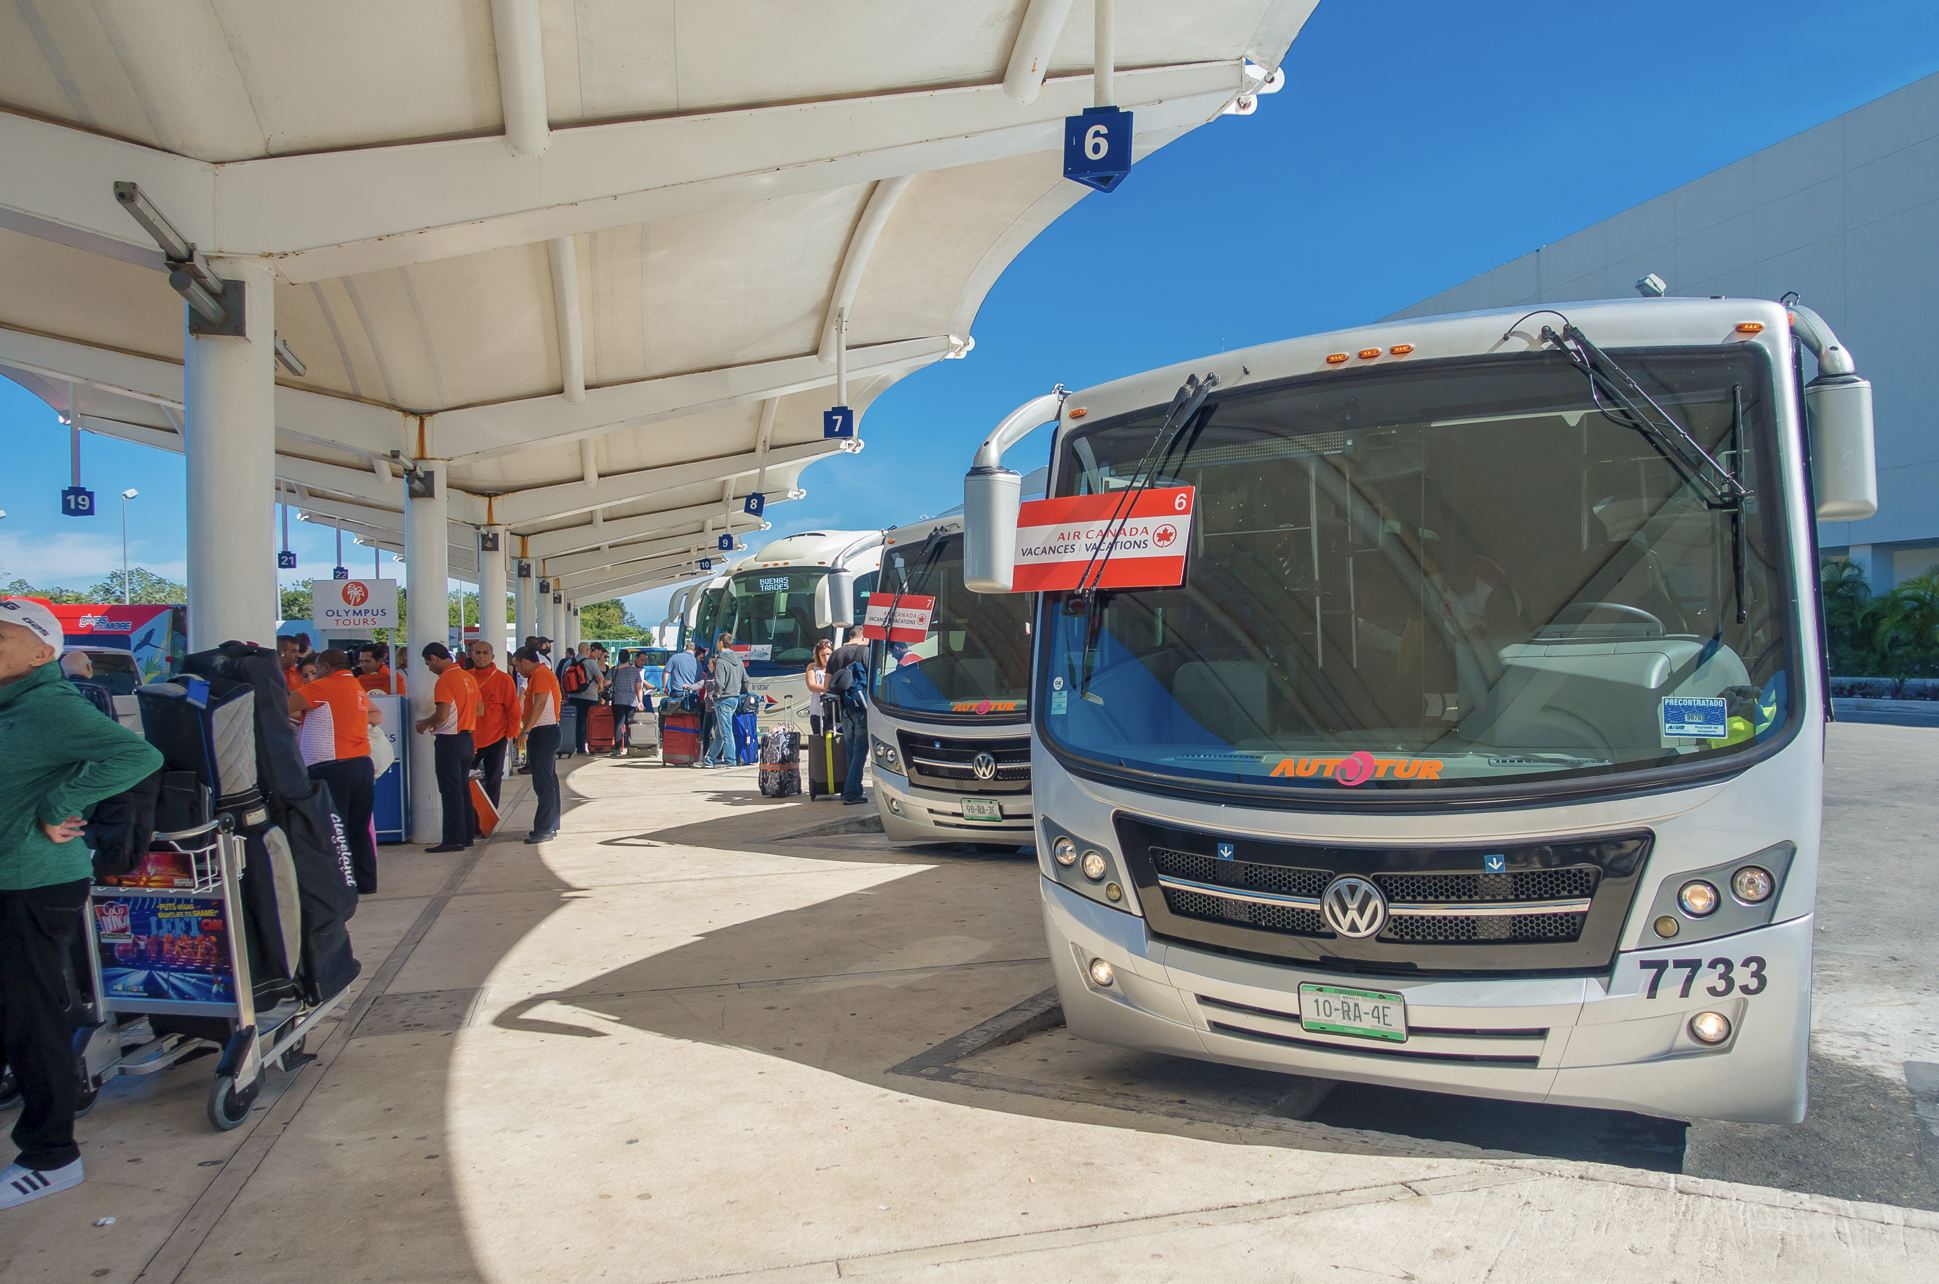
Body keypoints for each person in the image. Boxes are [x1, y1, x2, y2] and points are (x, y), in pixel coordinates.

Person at [0, 597, 163, 1211]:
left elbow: (137, 755)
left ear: (41, 652)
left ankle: (51, 1154)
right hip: (10, 877)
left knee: (32, 1012)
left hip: (33, 880)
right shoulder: (12, 704)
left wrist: (57, 804)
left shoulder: (50, 705)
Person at [289, 649, 383, 894]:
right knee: (358, 827)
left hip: (332, 767)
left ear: (327, 666)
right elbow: (374, 715)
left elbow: (280, 705)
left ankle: (340, 884)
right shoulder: (355, 687)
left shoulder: (322, 687)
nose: (315, 675)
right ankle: (365, 881)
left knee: (333, 830)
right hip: (361, 764)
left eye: (316, 669)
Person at [414, 642, 480, 853]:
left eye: (428, 663)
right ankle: (467, 835)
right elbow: (479, 709)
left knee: (450, 791)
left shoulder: (445, 680)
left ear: (434, 658)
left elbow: (442, 715)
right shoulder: (468, 677)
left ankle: (452, 839)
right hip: (467, 738)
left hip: (449, 740)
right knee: (462, 789)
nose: (429, 668)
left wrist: (426, 723)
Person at [512, 647, 562, 843]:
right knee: (548, 780)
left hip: (543, 732)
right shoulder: (540, 674)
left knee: (543, 783)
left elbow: (540, 704)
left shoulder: (540, 675)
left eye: (516, 666)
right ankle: (550, 824)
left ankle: (545, 828)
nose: (517, 670)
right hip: (547, 731)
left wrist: (526, 731)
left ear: (524, 662)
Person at [466, 641, 520, 806]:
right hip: (468, 737)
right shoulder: (465, 678)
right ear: (471, 654)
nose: (481, 656)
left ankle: (489, 820)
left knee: (493, 780)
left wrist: (511, 735)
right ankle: (471, 820)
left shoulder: (504, 679)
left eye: (485, 653)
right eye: (477, 652)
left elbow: (513, 709)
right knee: (466, 780)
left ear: (492, 656)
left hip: (496, 737)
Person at [826, 628, 871, 804]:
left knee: (850, 749)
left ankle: (853, 789)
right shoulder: (865, 652)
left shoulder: (836, 654)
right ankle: (851, 792)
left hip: (843, 707)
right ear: (864, 637)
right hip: (861, 706)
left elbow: (827, 685)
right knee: (860, 750)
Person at [700, 632, 746, 767]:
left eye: (717, 642)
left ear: (720, 643)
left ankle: (730, 760)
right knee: (720, 731)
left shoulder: (720, 661)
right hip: (735, 697)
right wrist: (741, 691)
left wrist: (716, 696)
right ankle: (709, 759)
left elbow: (720, 683)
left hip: (723, 699)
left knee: (726, 732)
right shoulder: (738, 659)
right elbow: (746, 679)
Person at [563, 644, 606, 757]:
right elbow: (600, 677)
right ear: (587, 650)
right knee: (591, 723)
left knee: (577, 723)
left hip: (573, 697)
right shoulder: (590, 662)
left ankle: (579, 747)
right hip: (590, 697)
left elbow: (563, 679)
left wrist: (566, 694)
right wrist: (600, 689)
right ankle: (592, 745)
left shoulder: (568, 663)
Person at [58, 652, 116, 721]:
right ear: (88, 666)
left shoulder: (56, 690)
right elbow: (110, 722)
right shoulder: (99, 690)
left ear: (64, 672)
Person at [606, 649, 642, 758]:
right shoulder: (635, 671)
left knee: (618, 724)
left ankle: (617, 748)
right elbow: (639, 688)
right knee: (630, 724)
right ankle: (631, 747)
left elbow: (606, 683)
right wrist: (640, 702)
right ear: (629, 658)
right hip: (632, 701)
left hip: (618, 700)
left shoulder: (614, 670)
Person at [804, 638, 834, 736]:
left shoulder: (836, 667)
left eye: (828, 654)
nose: (826, 658)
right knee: (818, 740)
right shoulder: (812, 667)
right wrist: (829, 689)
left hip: (833, 710)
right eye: (823, 655)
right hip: (817, 710)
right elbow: (812, 686)